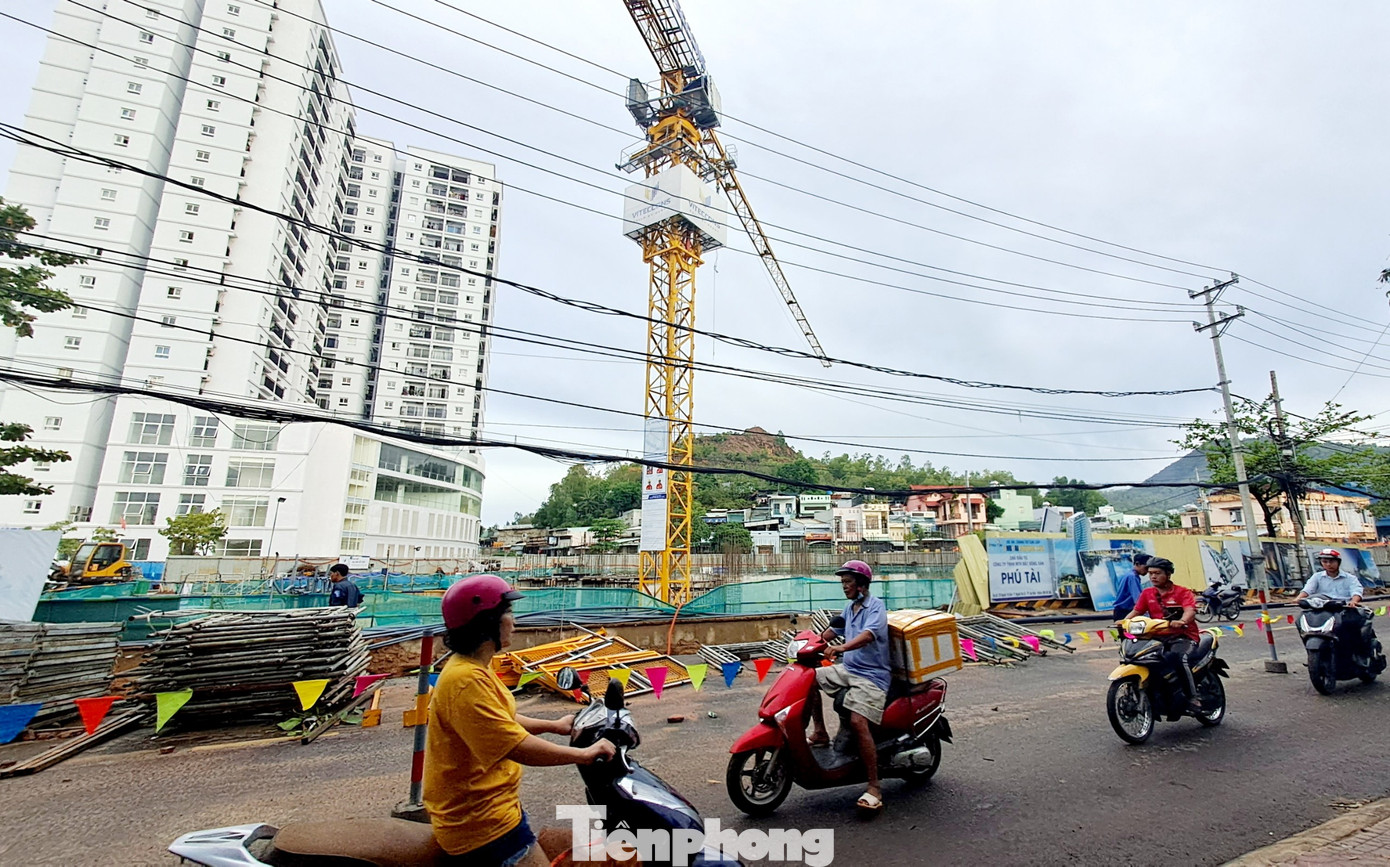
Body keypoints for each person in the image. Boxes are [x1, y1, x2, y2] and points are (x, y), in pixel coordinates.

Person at [424, 575, 616, 866]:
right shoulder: (466, 680)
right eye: (508, 614)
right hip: (482, 824)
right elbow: (516, 746)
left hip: (495, 808)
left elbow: (502, 719)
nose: (514, 622)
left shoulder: (474, 668)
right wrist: (584, 755)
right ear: (486, 622)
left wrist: (552, 725)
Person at [807, 560, 892, 813]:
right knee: (808, 679)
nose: (844, 586)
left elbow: (868, 635)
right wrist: (814, 641)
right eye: (843, 582)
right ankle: (820, 732)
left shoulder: (876, 607)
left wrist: (841, 648)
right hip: (849, 669)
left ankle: (874, 786)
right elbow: (835, 628)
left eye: (848, 582)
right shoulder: (850, 606)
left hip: (872, 676)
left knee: (857, 721)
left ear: (862, 584)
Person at [1124, 557, 1203, 713]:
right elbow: (1137, 611)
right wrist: (1123, 622)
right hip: (1158, 636)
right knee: (1140, 656)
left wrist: (1181, 621)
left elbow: (1190, 610)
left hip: (1184, 636)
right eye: (1151, 573)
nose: (1153, 577)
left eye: (1157, 573)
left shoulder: (1182, 592)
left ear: (1168, 574)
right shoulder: (1147, 593)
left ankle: (1193, 697)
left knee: (1180, 658)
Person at [1295, 548, 1370, 660]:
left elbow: (1356, 591)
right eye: (1325, 561)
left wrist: (1354, 601)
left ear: (1338, 562)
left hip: (1344, 610)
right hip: (1323, 611)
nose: (1328, 564)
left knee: (1352, 626)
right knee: (1299, 620)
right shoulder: (1317, 577)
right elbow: (1307, 590)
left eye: (1331, 561)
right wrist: (1298, 599)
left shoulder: (1350, 578)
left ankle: (1358, 654)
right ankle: (1312, 653)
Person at [1112, 553, 1152, 623]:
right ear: (1137, 564)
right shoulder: (1132, 577)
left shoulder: (1130, 575)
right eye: (1146, 568)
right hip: (1125, 612)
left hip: (1121, 611)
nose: (1147, 571)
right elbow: (1138, 599)